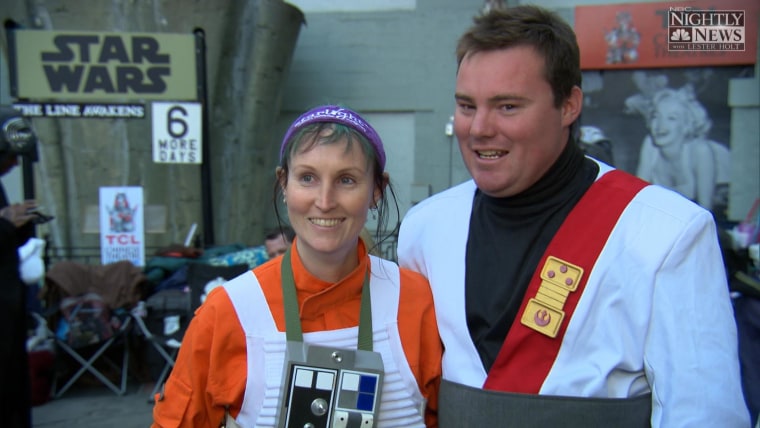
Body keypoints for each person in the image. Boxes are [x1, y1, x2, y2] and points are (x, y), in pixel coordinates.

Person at [397, 5, 748, 427]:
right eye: (467, 106)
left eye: (507, 106)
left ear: (569, 106)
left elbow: (705, 415)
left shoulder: (668, 232)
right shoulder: (425, 228)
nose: (479, 128)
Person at [153, 105, 442, 427]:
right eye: (307, 178)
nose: (325, 200)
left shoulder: (418, 301)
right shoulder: (228, 311)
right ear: (283, 184)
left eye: (347, 180)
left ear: (376, 190)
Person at [0, 105, 39, 428]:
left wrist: (19, 223)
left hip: (9, 303)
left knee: (14, 379)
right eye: (10, 156)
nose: (13, 164)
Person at [635, 84, 730, 214]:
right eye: (656, 116)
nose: (660, 125)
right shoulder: (650, 145)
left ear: (687, 125)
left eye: (671, 118)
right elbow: (638, 201)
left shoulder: (701, 151)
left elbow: (706, 211)